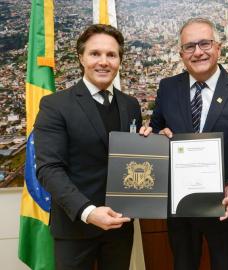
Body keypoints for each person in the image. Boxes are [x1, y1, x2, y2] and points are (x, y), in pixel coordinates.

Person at [141, 17, 228, 270]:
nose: (198, 52)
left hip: (224, 207)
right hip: (180, 209)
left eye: (205, 44)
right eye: (190, 46)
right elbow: (156, 130)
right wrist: (153, 137)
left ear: (218, 47)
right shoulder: (167, 88)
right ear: (181, 54)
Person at [34, 24, 142, 270]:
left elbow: (131, 160)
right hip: (75, 227)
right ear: (81, 57)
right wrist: (88, 211)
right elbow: (49, 169)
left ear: (119, 61)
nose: (103, 61)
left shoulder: (131, 105)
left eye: (111, 55)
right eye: (95, 54)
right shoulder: (55, 105)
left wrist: (147, 142)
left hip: (120, 226)